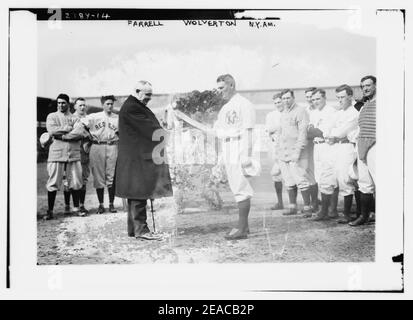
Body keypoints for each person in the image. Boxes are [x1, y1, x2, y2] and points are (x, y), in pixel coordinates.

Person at [115, 81, 173, 240]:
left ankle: (134, 229)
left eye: (150, 94)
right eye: (147, 94)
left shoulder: (132, 105)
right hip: (136, 158)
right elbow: (149, 129)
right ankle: (142, 230)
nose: (149, 98)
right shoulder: (133, 107)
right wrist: (166, 132)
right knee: (139, 192)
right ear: (137, 91)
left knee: (135, 193)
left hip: (135, 156)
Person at [214, 74, 257, 240]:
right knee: (236, 186)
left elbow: (248, 131)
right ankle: (243, 226)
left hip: (239, 147)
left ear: (231, 85)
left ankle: (242, 228)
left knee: (241, 187)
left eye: (221, 88)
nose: (219, 91)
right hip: (228, 147)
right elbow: (218, 130)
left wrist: (246, 155)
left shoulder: (244, 104)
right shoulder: (226, 107)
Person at [44, 93, 84, 220]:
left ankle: (76, 208)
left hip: (73, 153)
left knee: (76, 181)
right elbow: (51, 131)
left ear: (68, 104)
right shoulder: (52, 116)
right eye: (59, 103)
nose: (61, 105)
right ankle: (50, 211)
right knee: (53, 181)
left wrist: (63, 136)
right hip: (56, 153)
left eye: (63, 103)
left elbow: (79, 132)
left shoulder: (75, 118)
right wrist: (67, 128)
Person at [323, 85, 359, 224]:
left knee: (346, 179)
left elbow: (340, 132)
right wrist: (332, 135)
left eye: (343, 97)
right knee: (335, 177)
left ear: (350, 96)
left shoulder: (353, 113)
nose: (340, 100)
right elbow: (326, 129)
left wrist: (334, 134)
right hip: (336, 147)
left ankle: (347, 213)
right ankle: (343, 211)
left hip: (347, 147)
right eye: (338, 97)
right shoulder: (338, 113)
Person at [276, 89, 312, 217]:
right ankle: (292, 207)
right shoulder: (283, 113)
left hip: (297, 152)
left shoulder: (301, 111)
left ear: (293, 98)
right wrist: (277, 150)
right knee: (288, 180)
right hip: (283, 153)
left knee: (300, 179)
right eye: (284, 99)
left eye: (288, 98)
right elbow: (280, 133)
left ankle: (308, 207)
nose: (286, 101)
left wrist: (297, 152)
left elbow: (303, 134)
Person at [82, 95, 119, 214]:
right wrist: (87, 136)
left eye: (111, 104)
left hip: (112, 145)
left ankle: (112, 204)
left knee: (111, 175)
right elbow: (81, 124)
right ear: (102, 104)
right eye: (107, 103)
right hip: (97, 145)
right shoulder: (94, 116)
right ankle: (101, 205)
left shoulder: (117, 118)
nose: (110, 106)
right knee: (98, 176)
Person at [308, 88, 339, 220]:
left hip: (328, 145)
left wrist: (312, 130)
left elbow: (321, 132)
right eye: (313, 99)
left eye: (318, 99)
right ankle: (329, 210)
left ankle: (327, 210)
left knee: (329, 177)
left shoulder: (331, 111)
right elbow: (310, 132)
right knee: (320, 177)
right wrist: (312, 131)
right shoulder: (313, 112)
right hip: (317, 146)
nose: (315, 101)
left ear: (324, 98)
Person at [350, 76, 376, 226]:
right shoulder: (364, 105)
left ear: (376, 85)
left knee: (380, 181)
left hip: (376, 145)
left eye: (368, 85)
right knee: (364, 182)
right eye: (362, 86)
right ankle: (364, 216)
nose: (365, 88)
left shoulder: (383, 103)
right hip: (362, 144)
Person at [71, 97, 92, 214]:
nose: (83, 107)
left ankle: (82, 205)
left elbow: (92, 134)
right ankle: (72, 206)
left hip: (84, 152)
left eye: (84, 105)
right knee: (73, 179)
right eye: (80, 105)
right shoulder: (71, 118)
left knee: (84, 179)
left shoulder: (88, 119)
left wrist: (89, 136)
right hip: (73, 152)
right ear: (75, 106)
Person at [265, 93, 284, 210]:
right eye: (276, 103)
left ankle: (297, 203)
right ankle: (280, 202)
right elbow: (268, 130)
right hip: (274, 146)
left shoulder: (289, 113)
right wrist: (278, 128)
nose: (278, 105)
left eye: (279, 102)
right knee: (276, 174)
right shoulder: (271, 115)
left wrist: (276, 129)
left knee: (293, 175)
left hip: (288, 146)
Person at [303, 87, 321, 215]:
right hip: (309, 144)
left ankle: (328, 204)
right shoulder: (305, 111)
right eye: (308, 97)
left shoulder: (321, 110)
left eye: (312, 97)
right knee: (310, 173)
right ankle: (314, 203)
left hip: (321, 144)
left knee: (322, 173)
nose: (310, 100)